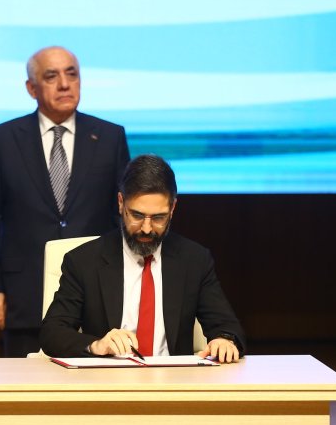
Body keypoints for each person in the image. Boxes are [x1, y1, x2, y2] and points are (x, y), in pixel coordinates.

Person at [0, 46, 130, 357]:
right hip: (25, 295)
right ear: (31, 88)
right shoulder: (2, 139)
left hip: (96, 293)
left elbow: (122, 215)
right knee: (25, 383)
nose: (65, 84)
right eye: (51, 76)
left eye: (72, 74)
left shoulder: (110, 137)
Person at [40, 154, 245, 361]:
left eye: (158, 218)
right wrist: (96, 345)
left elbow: (226, 326)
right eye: (137, 215)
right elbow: (52, 333)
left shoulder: (194, 260)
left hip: (175, 377)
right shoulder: (84, 261)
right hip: (107, 376)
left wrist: (224, 340)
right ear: (121, 203)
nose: (146, 229)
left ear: (172, 209)